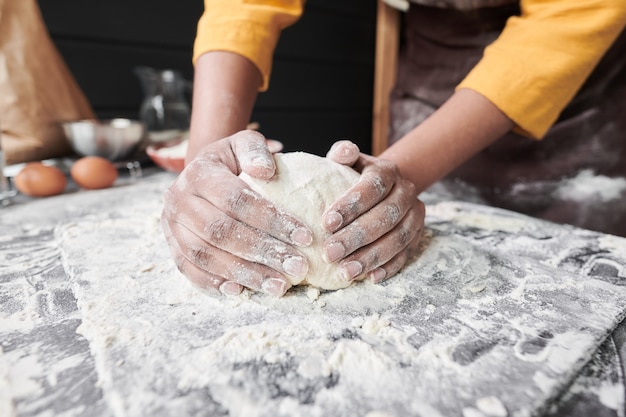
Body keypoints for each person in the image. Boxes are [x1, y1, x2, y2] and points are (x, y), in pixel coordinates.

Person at [161, 0, 626, 297]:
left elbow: (574, 13)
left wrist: (394, 177)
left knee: (570, 284)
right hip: (432, 68)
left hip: (573, 93)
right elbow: (246, 6)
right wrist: (204, 173)